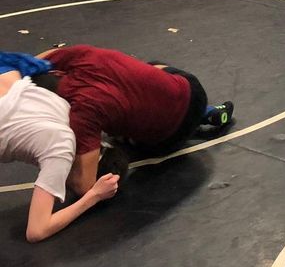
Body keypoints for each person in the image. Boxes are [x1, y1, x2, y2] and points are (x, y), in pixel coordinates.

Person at [31, 45, 234, 197]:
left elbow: (86, 186)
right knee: (151, 67)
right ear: (55, 72)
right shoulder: (83, 56)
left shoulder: (82, 115)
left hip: (170, 135)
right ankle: (207, 112)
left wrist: (60, 169)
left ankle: (198, 119)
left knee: (116, 138)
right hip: (191, 88)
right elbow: (34, 60)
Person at [0, 53, 119, 242]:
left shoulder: (71, 108)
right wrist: (94, 196)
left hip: (7, 73)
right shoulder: (62, 148)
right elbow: (36, 231)